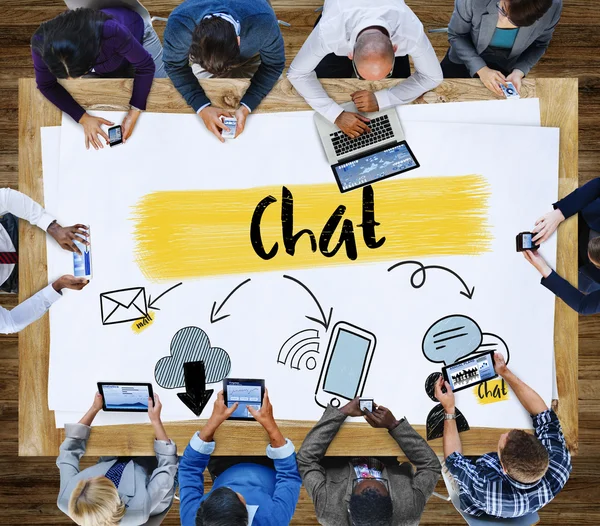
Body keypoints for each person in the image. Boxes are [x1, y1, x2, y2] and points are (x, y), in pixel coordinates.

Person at [435, 352, 571, 518]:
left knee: (435, 448)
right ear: (541, 447)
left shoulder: (486, 488)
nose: (505, 433)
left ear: (503, 468)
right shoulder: (560, 461)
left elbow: (453, 460)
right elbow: (543, 414)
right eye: (515, 433)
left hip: (479, 497)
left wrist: (449, 409)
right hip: (516, 502)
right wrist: (505, 372)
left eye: (503, 443)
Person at [287, 0, 442, 138]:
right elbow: (297, 73)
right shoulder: (329, 31)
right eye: (362, 76)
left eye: (386, 73)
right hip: (340, 17)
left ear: (395, 48)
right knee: (326, 75)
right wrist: (335, 114)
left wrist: (383, 99)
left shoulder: (410, 31)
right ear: (350, 54)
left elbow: (432, 77)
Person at [32, 6, 166, 150]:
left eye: (80, 74)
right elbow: (46, 85)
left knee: (165, 89)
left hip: (137, 37)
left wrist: (133, 113)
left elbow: (145, 66)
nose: (77, 79)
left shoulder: (111, 31)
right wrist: (83, 117)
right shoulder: (41, 43)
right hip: (108, 58)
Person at [297, 397, 441, 525]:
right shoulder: (409, 512)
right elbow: (431, 466)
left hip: (338, 449)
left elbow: (306, 460)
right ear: (392, 503)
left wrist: (342, 412)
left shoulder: (329, 511)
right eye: (380, 482)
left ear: (349, 503)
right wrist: (394, 425)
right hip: (385, 449)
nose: (370, 475)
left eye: (360, 482)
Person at [163, 0, 285, 143]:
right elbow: (174, 65)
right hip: (205, 59)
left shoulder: (264, 22)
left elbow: (274, 65)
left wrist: (247, 106)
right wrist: (201, 108)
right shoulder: (179, 25)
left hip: (252, 56)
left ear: (239, 41)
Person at [179, 390, 301, 526]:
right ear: (246, 515)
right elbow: (289, 476)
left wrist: (212, 422)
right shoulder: (274, 520)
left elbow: (189, 470)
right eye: (235, 493)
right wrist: (270, 425)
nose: (232, 487)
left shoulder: (193, 520)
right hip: (271, 465)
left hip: (224, 468)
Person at [57, 392, 178, 525]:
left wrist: (94, 409)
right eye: (99, 480)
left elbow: (68, 452)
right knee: (180, 452)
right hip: (152, 479)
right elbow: (167, 466)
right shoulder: (138, 509)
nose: (89, 477)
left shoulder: (67, 499)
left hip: (115, 461)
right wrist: (155, 420)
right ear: (115, 494)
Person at [0, 188, 89, 334]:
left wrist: (51, 226)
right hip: (21, 277)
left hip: (20, 230)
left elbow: (4, 198)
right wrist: (56, 286)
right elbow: (10, 323)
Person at [441, 0, 562, 96]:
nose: (503, 20)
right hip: (463, 58)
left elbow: (540, 44)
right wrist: (481, 69)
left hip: (508, 64)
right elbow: (456, 35)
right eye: (503, 9)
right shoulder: (471, 1)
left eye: (515, 21)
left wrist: (519, 71)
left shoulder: (553, 7)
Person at [523, 177, 600, 314]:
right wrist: (561, 213)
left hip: (581, 268)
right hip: (587, 217)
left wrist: (545, 270)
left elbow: (583, 306)